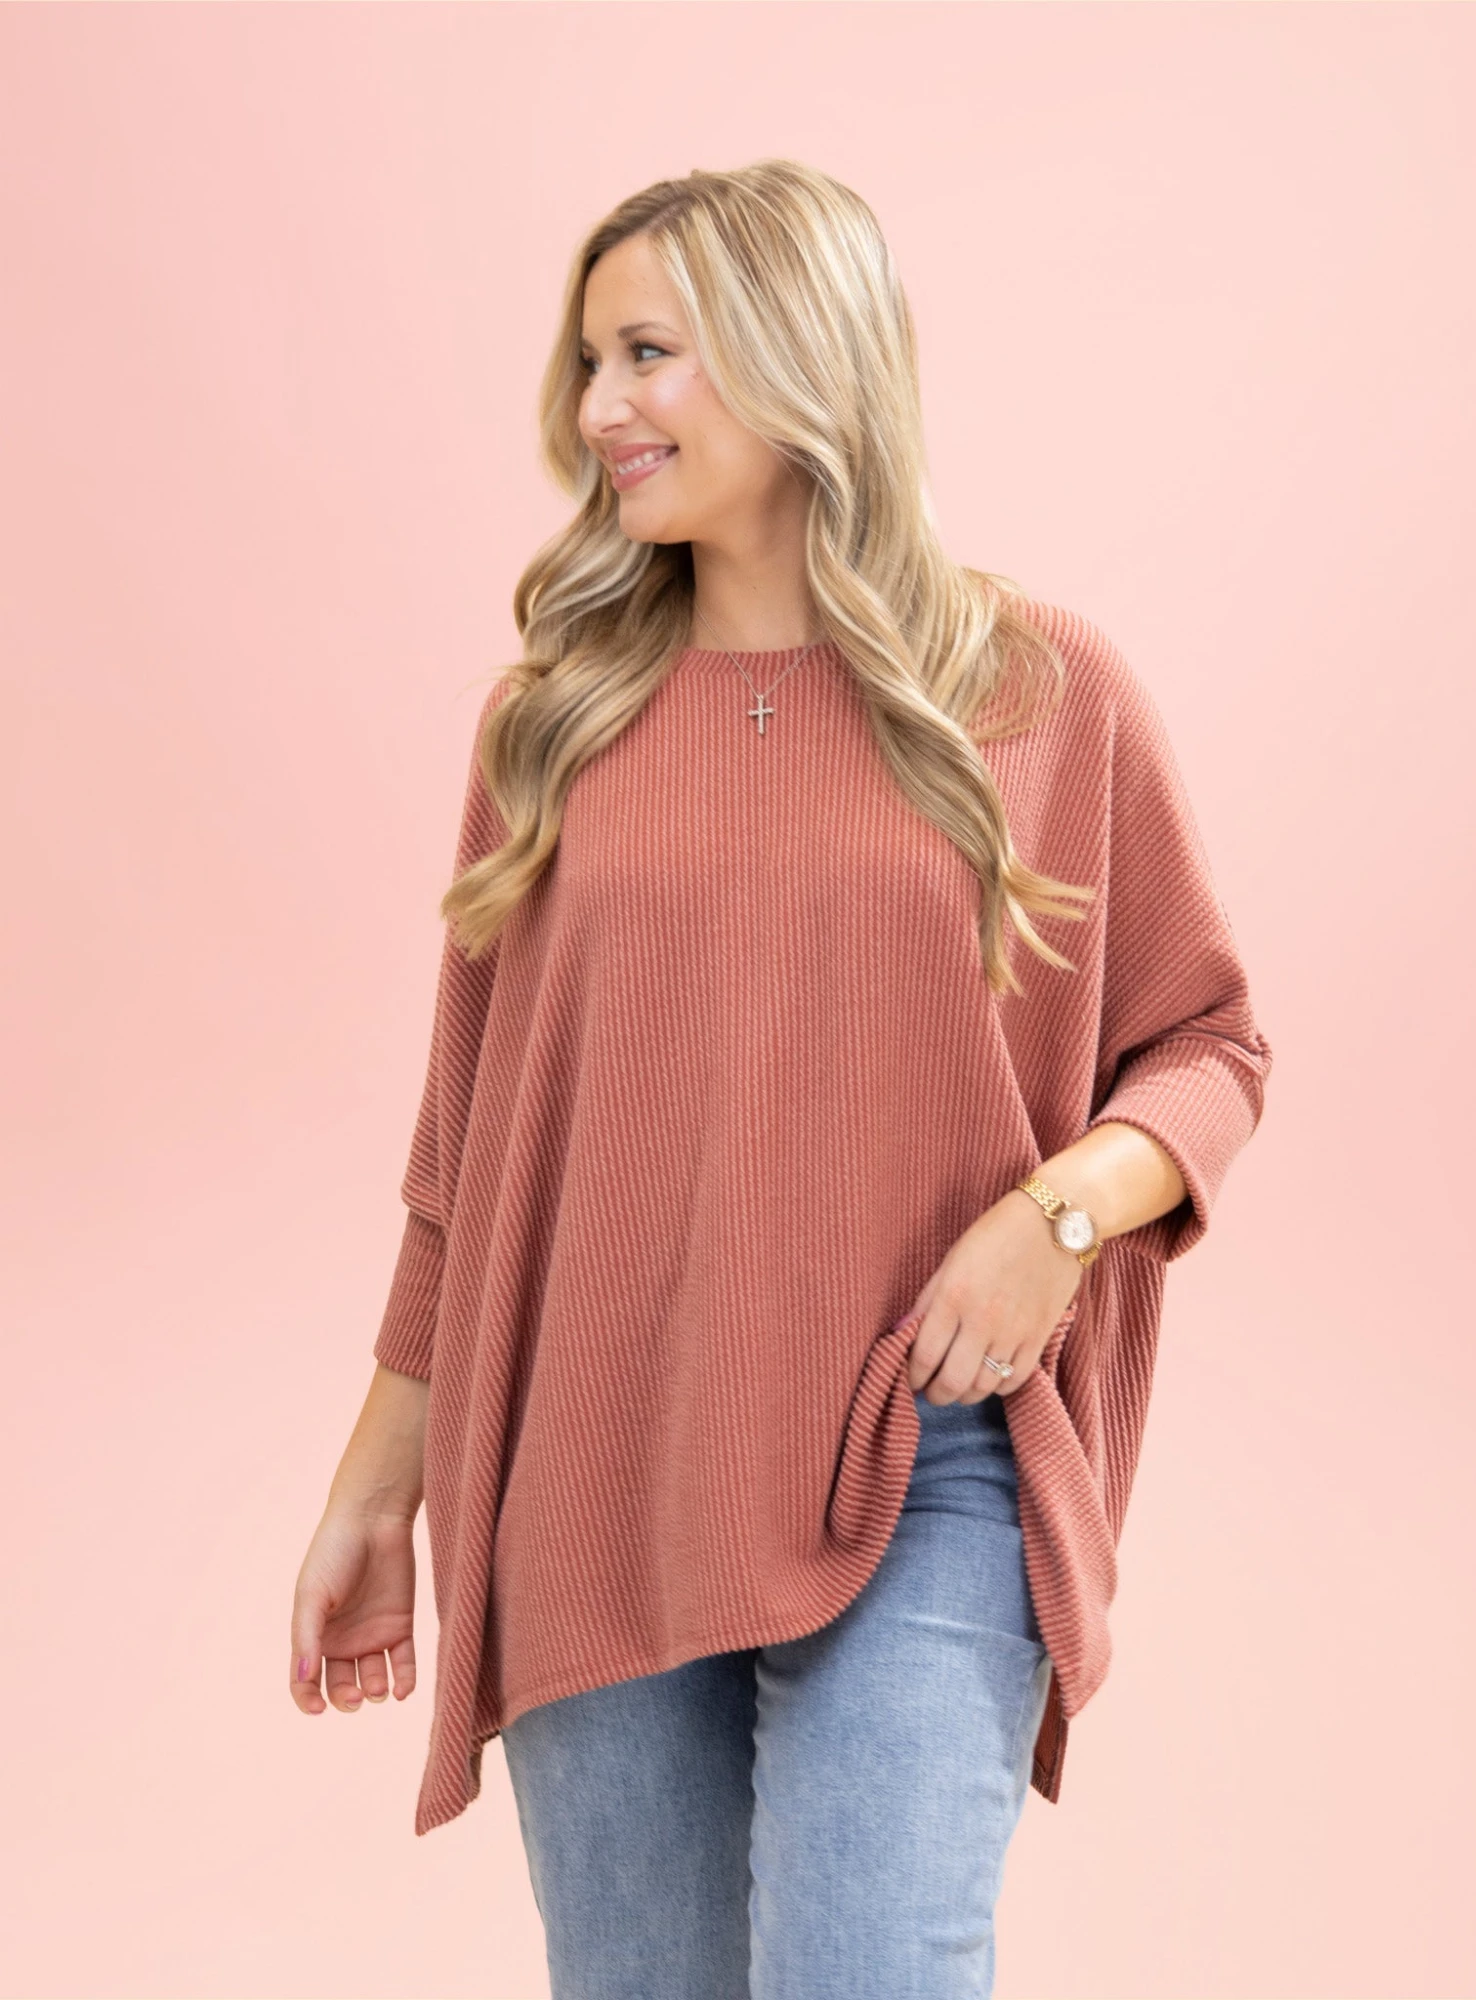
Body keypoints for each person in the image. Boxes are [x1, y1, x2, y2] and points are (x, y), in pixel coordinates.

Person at [289, 159, 1273, 1998]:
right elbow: (469, 1151)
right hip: (592, 1458)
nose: (599, 409)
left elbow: (1208, 1044)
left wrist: (1061, 1218)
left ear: (798, 353)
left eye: (647, 354)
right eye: (589, 361)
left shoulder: (1039, 689)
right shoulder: (551, 725)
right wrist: (377, 1483)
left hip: (929, 1448)